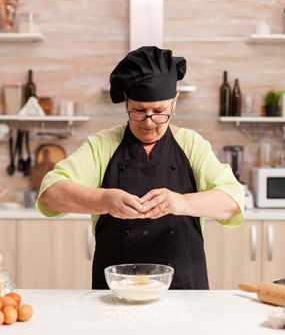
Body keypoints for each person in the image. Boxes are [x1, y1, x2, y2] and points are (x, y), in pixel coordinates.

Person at [36, 46, 244, 289]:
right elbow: (51, 192)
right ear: (126, 102)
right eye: (138, 111)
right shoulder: (103, 145)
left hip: (184, 291)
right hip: (114, 292)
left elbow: (233, 200)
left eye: (159, 112)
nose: (149, 122)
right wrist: (104, 200)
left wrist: (183, 203)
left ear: (174, 102)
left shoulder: (191, 144)